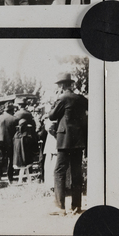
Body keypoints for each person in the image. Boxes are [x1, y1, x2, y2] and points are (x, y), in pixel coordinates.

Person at [47, 73, 88, 215]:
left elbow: (52, 115)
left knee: (59, 171)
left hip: (65, 140)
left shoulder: (62, 98)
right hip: (78, 140)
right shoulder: (81, 99)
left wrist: (55, 101)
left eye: (59, 85)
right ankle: (76, 207)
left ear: (62, 85)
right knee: (76, 172)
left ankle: (60, 207)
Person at [13, 102, 38, 183]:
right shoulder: (29, 114)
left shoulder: (16, 114)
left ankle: (20, 175)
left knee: (20, 155)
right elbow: (33, 126)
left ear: (19, 106)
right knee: (27, 155)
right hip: (28, 136)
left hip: (19, 137)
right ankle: (28, 172)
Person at [0, 103, 17, 182]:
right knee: (10, 159)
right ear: (11, 110)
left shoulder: (0, 118)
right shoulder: (14, 119)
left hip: (0, 141)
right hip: (10, 142)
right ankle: (10, 177)